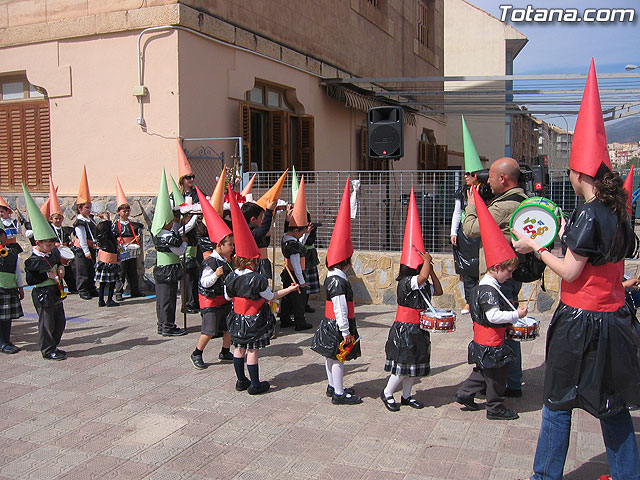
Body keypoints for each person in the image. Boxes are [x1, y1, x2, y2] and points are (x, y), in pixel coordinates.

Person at [512, 60, 640, 480]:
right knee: (612, 405)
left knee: (557, 403)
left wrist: (536, 246)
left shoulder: (589, 213)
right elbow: (604, 258)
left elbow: (569, 271)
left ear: (578, 172)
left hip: (581, 323)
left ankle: (544, 476)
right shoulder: (619, 213)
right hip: (617, 319)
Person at [456, 186, 527, 420]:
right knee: (496, 376)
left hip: (483, 342)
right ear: (496, 267)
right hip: (491, 342)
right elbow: (494, 317)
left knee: (482, 371)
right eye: (508, 272)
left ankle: (465, 393)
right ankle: (495, 408)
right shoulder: (488, 290)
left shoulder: (487, 285)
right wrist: (516, 315)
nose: (510, 276)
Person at [226, 186, 299, 395]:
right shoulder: (258, 279)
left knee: (238, 349)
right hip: (252, 318)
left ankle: (241, 381)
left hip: (236, 318)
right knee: (252, 351)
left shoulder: (230, 275)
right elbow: (271, 296)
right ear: (252, 260)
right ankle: (255, 384)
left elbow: (227, 296)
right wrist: (290, 289)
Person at [381, 188, 443, 412]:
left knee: (414, 364)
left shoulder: (422, 281)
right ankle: (388, 392)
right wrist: (426, 260)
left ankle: (407, 396)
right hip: (405, 329)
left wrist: (432, 268)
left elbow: (438, 291)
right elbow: (423, 276)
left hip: (418, 327)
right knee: (402, 365)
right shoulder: (407, 282)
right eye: (419, 264)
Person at [311, 178, 362, 405]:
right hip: (338, 324)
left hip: (328, 322)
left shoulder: (331, 277)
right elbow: (341, 307)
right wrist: (345, 331)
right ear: (346, 262)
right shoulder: (339, 283)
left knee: (330, 357)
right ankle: (339, 394)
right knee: (340, 357)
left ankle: (333, 386)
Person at [190, 186, 235, 369]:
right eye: (230, 245)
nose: (232, 247)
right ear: (220, 245)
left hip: (222, 299)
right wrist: (216, 276)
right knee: (208, 330)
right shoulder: (211, 262)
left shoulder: (226, 259)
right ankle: (197, 353)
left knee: (227, 327)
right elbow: (204, 282)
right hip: (210, 300)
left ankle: (225, 351)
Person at [22, 185, 68, 361]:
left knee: (60, 322)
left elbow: (58, 261)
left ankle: (54, 345)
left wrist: (62, 268)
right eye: (47, 244)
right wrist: (46, 276)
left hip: (56, 290)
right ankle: (47, 349)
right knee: (46, 323)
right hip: (43, 292)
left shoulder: (53, 253)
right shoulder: (33, 260)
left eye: (52, 243)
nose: (51, 246)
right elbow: (31, 278)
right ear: (39, 243)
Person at [451, 117, 483, 315]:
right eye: (464, 173)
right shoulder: (462, 191)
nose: (465, 176)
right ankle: (469, 301)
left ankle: (481, 300)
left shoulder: (486, 192)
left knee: (481, 269)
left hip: (481, 235)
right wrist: (453, 232)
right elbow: (457, 211)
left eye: (469, 173)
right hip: (465, 236)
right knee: (467, 271)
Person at [152, 170, 188, 337]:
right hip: (169, 270)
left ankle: (162, 324)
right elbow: (180, 250)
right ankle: (168, 326)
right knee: (169, 299)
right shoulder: (169, 237)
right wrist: (184, 242)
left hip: (161, 268)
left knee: (162, 299)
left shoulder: (159, 235)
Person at [113, 179, 144, 301]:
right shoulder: (115, 225)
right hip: (121, 249)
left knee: (133, 271)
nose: (126, 213)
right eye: (123, 211)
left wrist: (137, 239)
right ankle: (119, 291)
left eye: (127, 210)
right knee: (121, 271)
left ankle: (134, 290)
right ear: (118, 212)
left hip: (131, 250)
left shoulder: (133, 224)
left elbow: (136, 236)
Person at [72, 167, 100, 300]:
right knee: (82, 269)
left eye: (90, 207)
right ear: (79, 208)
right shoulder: (80, 222)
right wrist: (85, 251)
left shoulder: (91, 219)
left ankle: (91, 287)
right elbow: (82, 237)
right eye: (86, 207)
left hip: (92, 247)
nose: (89, 209)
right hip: (83, 249)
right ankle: (82, 289)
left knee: (91, 269)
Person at [0, 223, 25, 354]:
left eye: (1, 235)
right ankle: (2, 343)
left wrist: (20, 288)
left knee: (6, 317)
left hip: (9, 287)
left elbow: (17, 271)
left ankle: (7, 340)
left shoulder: (12, 252)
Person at [242, 199, 277, 279]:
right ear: (253, 219)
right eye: (261, 217)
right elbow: (263, 229)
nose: (262, 220)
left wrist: (267, 236)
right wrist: (269, 211)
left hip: (262, 263)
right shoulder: (250, 232)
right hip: (255, 267)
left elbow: (264, 243)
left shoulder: (256, 231)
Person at [94, 218, 120, 307]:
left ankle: (101, 300)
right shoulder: (108, 239)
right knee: (112, 282)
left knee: (102, 283)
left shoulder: (100, 237)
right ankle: (109, 300)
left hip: (103, 262)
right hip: (110, 262)